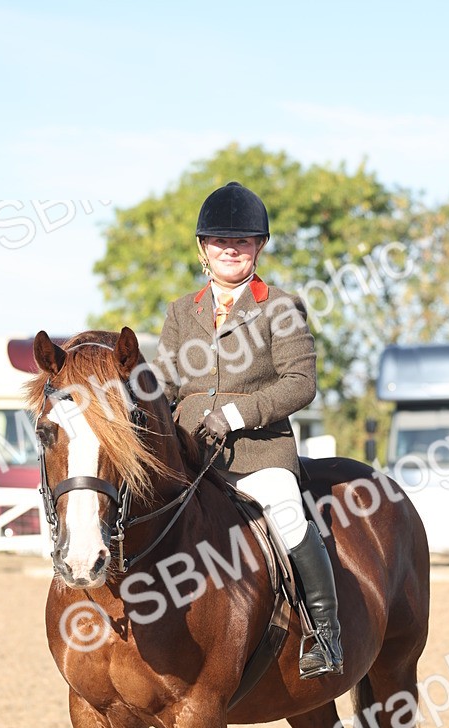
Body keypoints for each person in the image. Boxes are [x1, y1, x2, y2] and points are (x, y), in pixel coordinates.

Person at [152, 181, 342, 679]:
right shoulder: (181, 311)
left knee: (287, 513)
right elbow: (165, 383)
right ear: (204, 248)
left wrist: (235, 415)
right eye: (221, 241)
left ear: (258, 246)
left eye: (242, 241)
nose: (230, 249)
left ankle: (324, 633)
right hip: (191, 454)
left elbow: (301, 383)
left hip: (259, 453)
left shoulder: (280, 306)